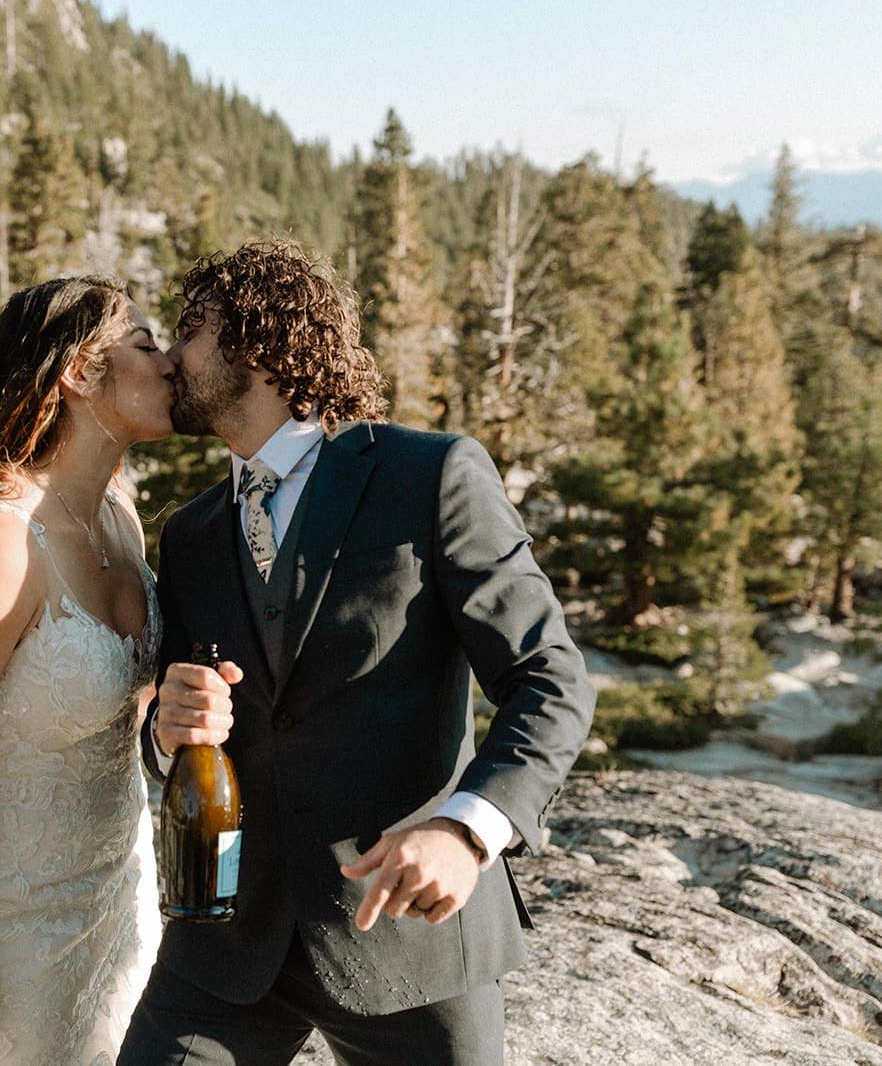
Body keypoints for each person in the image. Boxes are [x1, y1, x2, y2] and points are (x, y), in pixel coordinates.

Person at [118, 239, 596, 1065]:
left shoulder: (431, 475)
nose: (168, 359)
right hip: (228, 946)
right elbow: (185, 731)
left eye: (189, 330)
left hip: (408, 934)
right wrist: (164, 733)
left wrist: (468, 832)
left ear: (260, 346)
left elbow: (550, 678)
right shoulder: (190, 534)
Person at [0, 275, 177, 1063]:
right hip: (17, 933)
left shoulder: (118, 518)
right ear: (79, 373)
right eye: (148, 347)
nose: (171, 366)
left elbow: (128, 702)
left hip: (124, 896)